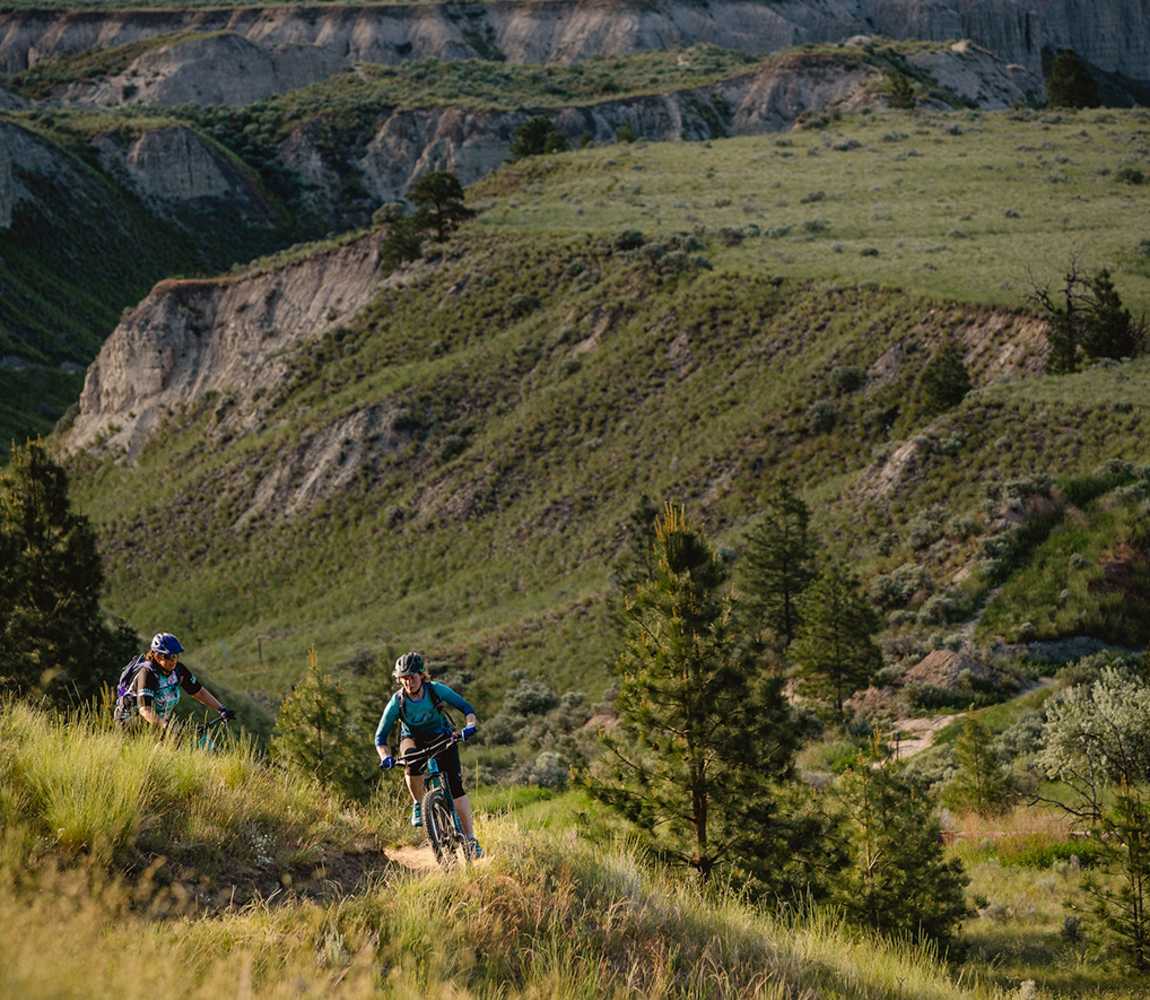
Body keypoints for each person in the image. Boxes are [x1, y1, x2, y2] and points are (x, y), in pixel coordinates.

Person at [375, 652, 482, 857]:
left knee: (456, 788)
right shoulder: (397, 702)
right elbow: (380, 738)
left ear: (421, 675)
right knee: (410, 762)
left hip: (442, 736)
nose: (408, 682)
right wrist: (385, 757)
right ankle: (419, 802)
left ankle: (470, 840)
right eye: (403, 678)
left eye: (412, 676)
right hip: (412, 739)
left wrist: (470, 726)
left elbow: (467, 708)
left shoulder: (435, 690)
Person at [115, 632, 234, 733]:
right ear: (157, 656)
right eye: (169, 656)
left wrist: (221, 709)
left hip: (158, 724)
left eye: (176, 656)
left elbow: (198, 692)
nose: (174, 660)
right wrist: (168, 726)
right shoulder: (148, 674)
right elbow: (145, 711)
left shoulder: (178, 670)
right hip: (131, 724)